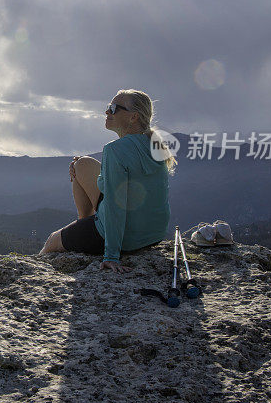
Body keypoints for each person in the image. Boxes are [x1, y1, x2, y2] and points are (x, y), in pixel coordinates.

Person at [40, 89, 175, 273]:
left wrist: (111, 256)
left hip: (126, 238)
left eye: (113, 108)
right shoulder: (156, 145)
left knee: (51, 241)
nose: (107, 112)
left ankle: (81, 234)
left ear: (133, 117)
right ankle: (84, 223)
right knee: (81, 164)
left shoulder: (115, 150)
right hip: (153, 234)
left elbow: (114, 205)